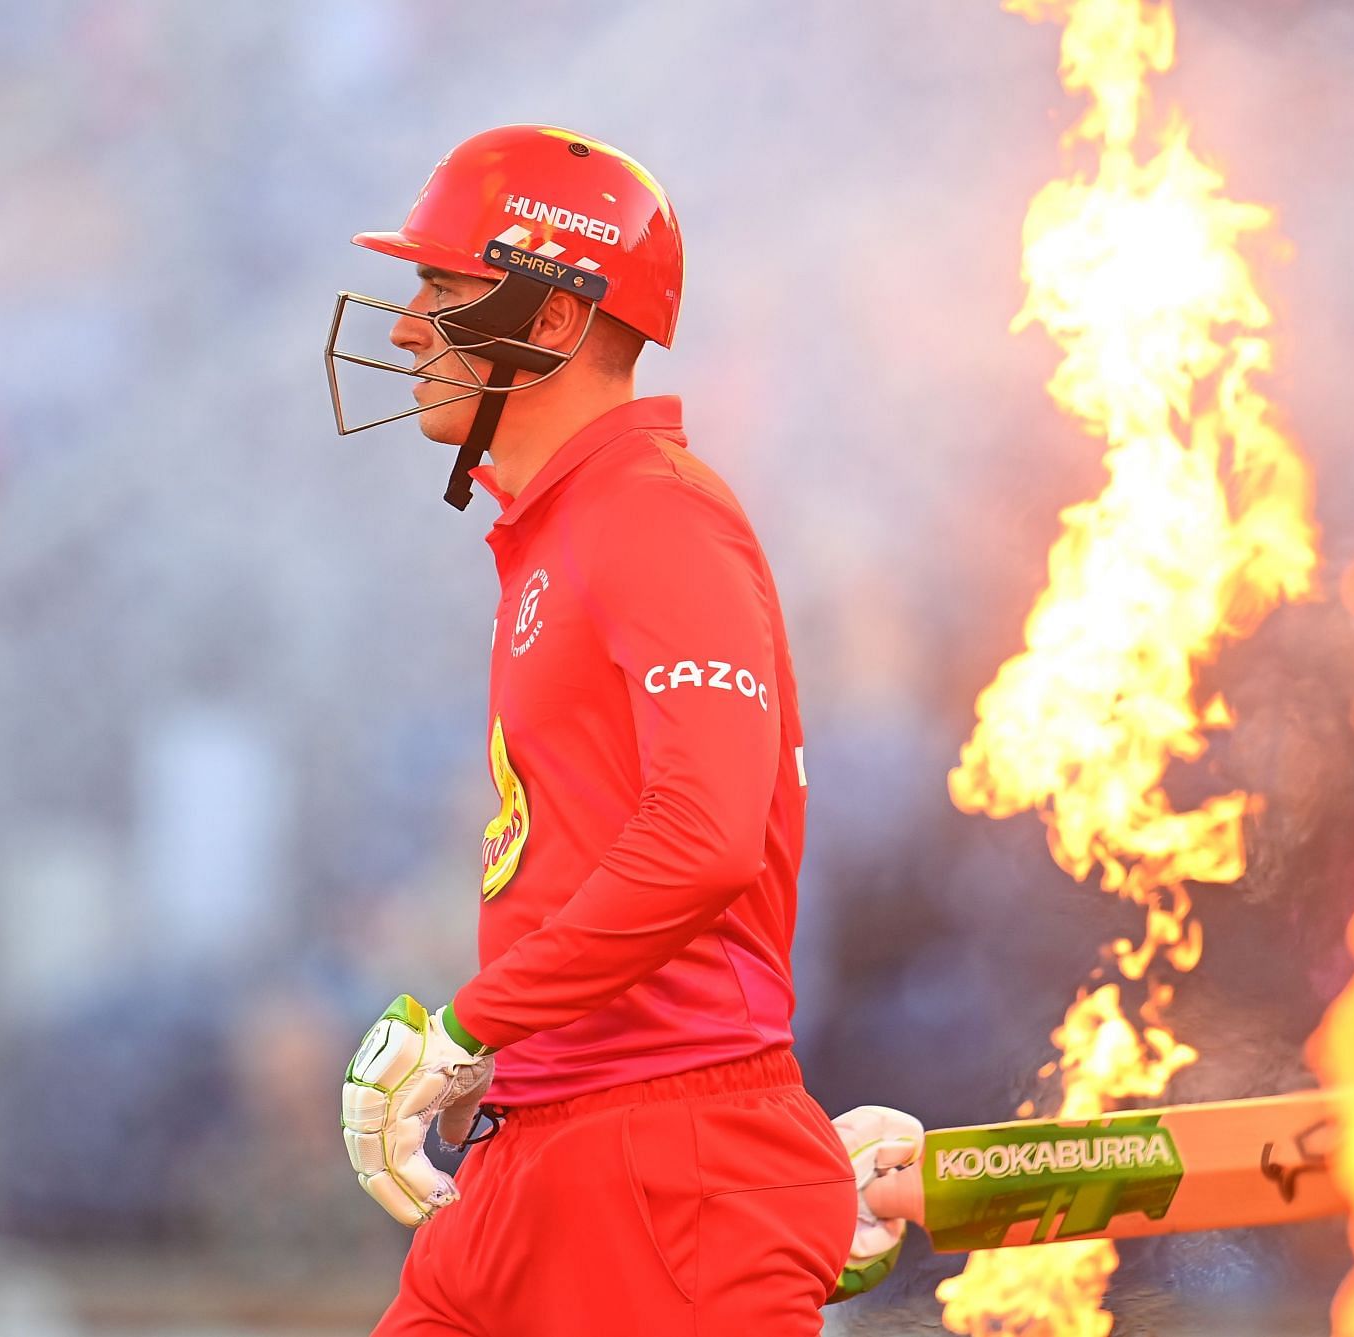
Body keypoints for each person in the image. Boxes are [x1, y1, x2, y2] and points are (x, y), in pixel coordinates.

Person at [327, 124, 859, 1336]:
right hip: (552, 1149)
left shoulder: (652, 513)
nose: (407, 325)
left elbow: (706, 836)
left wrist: (469, 1025)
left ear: (557, 320)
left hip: (665, 1163)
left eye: (445, 287)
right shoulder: (570, 528)